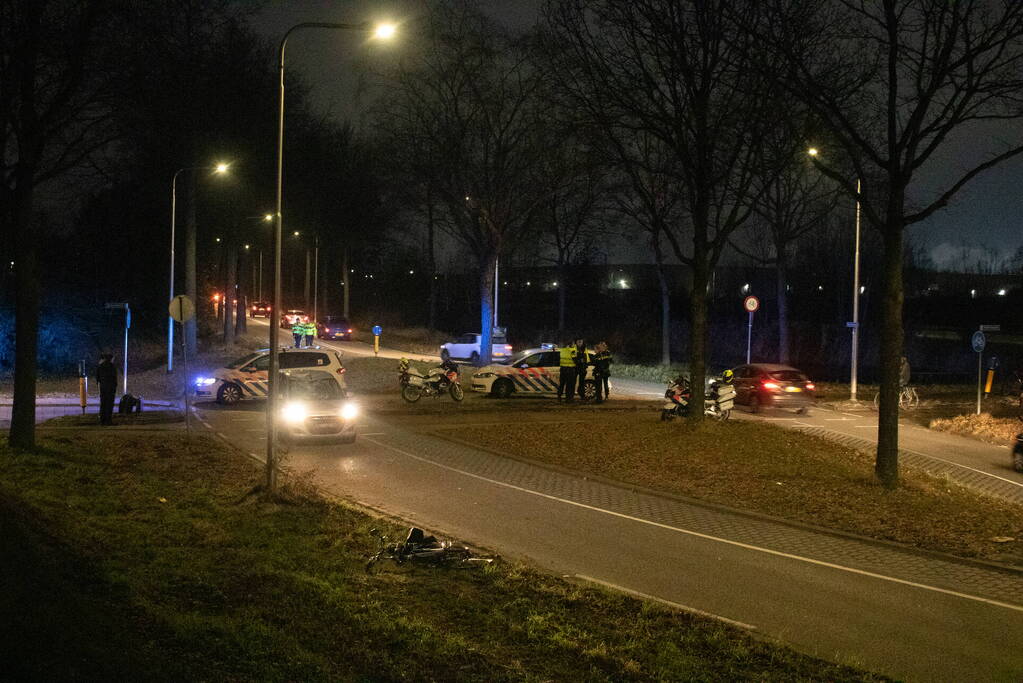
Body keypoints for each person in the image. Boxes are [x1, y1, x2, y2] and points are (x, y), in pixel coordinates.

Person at [96, 352, 117, 426]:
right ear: (110, 359)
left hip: (103, 388)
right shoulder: (112, 366)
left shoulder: (100, 366)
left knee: (103, 404)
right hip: (110, 388)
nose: (113, 360)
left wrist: (101, 384)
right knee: (109, 405)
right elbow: (114, 378)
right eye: (113, 359)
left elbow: (97, 378)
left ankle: (102, 420)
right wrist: (114, 386)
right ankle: (108, 421)